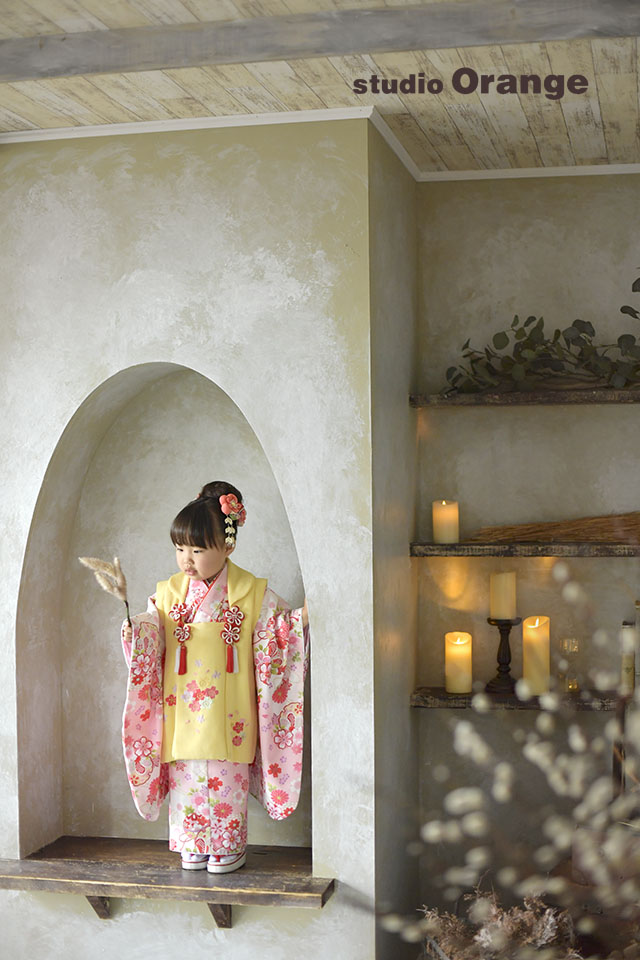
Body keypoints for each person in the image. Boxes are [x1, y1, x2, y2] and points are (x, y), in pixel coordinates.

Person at [121, 481, 309, 874]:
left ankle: (227, 845)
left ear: (227, 546)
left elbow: (276, 635)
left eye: (197, 550)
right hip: (182, 708)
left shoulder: (251, 593)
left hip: (230, 710)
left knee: (225, 776)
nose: (186, 560)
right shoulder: (168, 594)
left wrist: (300, 621)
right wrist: (136, 631)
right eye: (180, 549)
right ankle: (192, 844)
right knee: (187, 776)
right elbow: (152, 632)